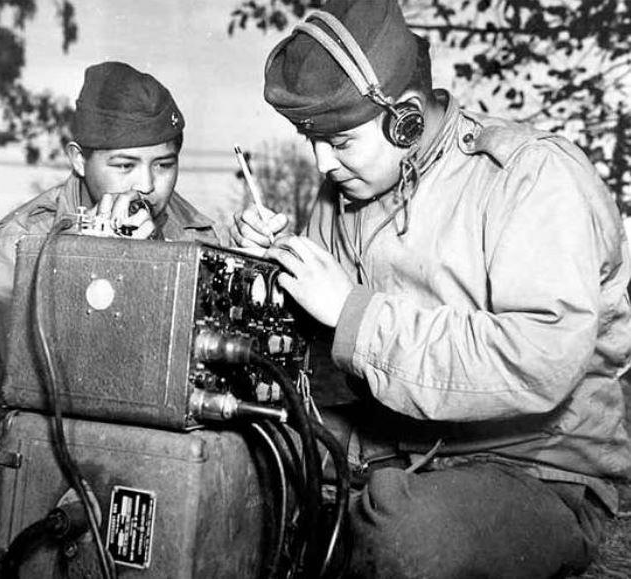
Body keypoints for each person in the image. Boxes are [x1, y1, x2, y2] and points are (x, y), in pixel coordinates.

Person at [232, 0, 631, 577]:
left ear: (407, 118)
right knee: (233, 457)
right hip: (395, 451)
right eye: (309, 140)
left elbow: (541, 357)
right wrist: (272, 271)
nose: (322, 164)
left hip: (534, 470)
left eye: (340, 142)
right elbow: (319, 347)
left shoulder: (529, 177)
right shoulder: (347, 195)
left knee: (403, 539)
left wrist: (354, 313)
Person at [0, 61, 227, 359]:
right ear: (79, 160)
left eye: (164, 165)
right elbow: (26, 373)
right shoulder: (19, 243)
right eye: (125, 166)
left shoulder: (204, 238)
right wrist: (93, 263)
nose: (147, 185)